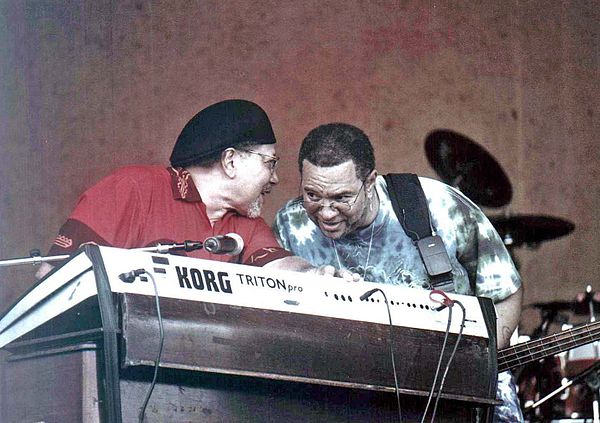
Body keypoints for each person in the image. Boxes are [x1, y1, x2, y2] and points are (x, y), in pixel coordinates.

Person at [273, 123, 524, 422]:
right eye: (312, 195)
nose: (326, 212)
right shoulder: (291, 225)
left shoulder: (438, 207)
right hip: (356, 400)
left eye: (341, 198)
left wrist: (474, 364)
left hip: (463, 395)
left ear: (370, 182)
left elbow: (505, 292)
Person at [36, 99, 327, 278]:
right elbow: (52, 275)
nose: (275, 179)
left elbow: (278, 268)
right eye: (270, 163)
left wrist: (318, 275)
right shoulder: (132, 189)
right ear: (231, 161)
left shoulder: (248, 224)